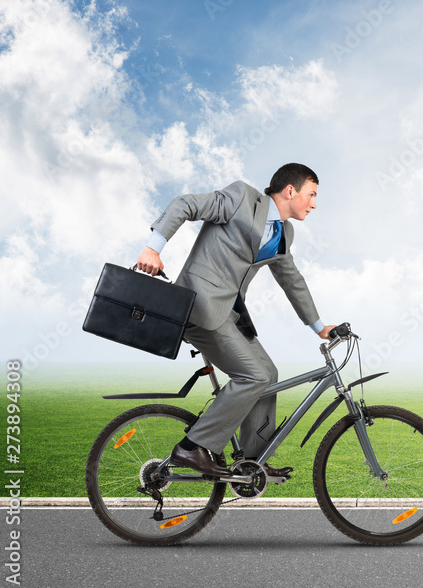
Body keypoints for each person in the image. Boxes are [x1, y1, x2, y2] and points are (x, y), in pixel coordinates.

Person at [137, 163, 335, 477]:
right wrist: (153, 248)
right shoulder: (242, 198)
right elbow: (185, 204)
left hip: (230, 314)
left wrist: (319, 326)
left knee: (268, 375)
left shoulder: (285, 232)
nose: (313, 203)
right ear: (290, 191)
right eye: (311, 195)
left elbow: (291, 279)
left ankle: (252, 461)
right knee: (254, 375)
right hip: (199, 307)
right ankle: (193, 446)